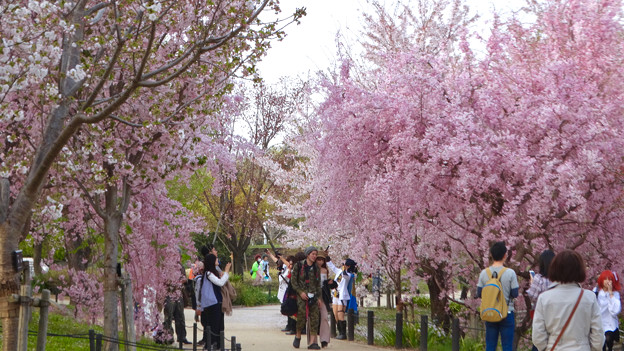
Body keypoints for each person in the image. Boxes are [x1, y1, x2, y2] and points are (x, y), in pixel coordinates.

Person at [532, 250, 604, 350]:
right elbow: (598, 333)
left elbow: (537, 336)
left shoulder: (544, 298)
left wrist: (547, 348)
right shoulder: (589, 297)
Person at [476, 241, 519, 351]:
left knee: (490, 345)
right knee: (507, 346)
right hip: (507, 312)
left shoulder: (484, 273)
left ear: (491, 255)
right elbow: (515, 294)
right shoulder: (510, 273)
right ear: (505, 255)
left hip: (490, 312)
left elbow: (479, 293)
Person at [195, 254, 231, 350]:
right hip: (212, 303)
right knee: (214, 326)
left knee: (220, 325)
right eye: (216, 259)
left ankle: (219, 346)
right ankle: (211, 345)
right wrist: (227, 272)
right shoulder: (208, 274)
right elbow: (220, 282)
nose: (217, 260)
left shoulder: (212, 273)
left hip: (217, 302)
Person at [291, 246, 322, 350]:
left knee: (315, 318)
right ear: (308, 254)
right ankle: (298, 335)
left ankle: (313, 342)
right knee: (302, 316)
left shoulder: (316, 267)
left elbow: (318, 283)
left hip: (313, 294)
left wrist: (319, 297)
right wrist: (300, 292)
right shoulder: (298, 265)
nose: (314, 256)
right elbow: (294, 281)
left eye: (315, 254)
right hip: (302, 295)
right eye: (313, 254)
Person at [526, 249, 555, 351]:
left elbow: (533, 296)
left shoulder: (539, 278)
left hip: (541, 316)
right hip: (556, 316)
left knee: (538, 343)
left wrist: (532, 283)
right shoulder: (559, 279)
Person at [326, 254, 356, 340]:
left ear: (348, 266)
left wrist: (344, 269)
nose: (343, 265)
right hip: (335, 294)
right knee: (335, 313)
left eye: (345, 264)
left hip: (342, 296)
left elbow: (345, 275)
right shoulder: (339, 271)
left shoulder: (349, 275)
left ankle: (343, 333)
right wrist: (327, 259)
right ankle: (339, 331)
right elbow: (332, 267)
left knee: (340, 313)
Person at [596, 270, 621, 351]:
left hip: (610, 323)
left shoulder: (615, 294)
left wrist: (610, 294)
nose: (608, 281)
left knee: (609, 340)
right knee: (601, 344)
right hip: (600, 322)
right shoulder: (597, 293)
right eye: (605, 279)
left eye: (610, 279)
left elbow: (614, 311)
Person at [316, 251, 332, 348]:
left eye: (322, 260)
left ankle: (324, 339)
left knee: (324, 317)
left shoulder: (325, 270)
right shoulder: (312, 270)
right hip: (314, 296)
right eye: (319, 259)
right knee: (312, 319)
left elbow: (325, 284)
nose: (320, 261)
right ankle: (312, 340)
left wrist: (329, 283)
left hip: (323, 296)